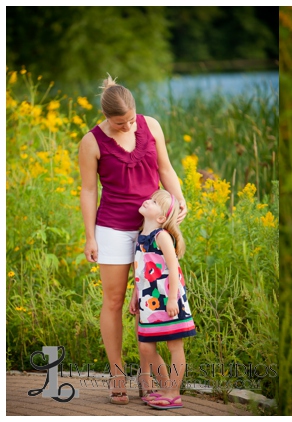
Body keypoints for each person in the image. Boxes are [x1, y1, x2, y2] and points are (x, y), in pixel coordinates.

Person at [78, 75, 188, 404]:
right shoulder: (91, 142)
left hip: (151, 227)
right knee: (113, 303)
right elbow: (87, 191)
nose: (127, 127)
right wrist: (89, 236)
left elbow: (166, 169)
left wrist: (179, 199)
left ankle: (148, 377)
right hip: (112, 228)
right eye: (119, 123)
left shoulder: (150, 126)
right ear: (105, 117)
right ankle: (116, 376)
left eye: (130, 120)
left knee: (147, 302)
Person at [128, 188, 196, 410]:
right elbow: (139, 272)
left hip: (168, 300)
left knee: (174, 345)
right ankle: (166, 387)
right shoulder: (140, 237)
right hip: (149, 302)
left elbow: (174, 269)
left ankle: (174, 392)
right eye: (150, 198)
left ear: (160, 218)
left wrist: (173, 299)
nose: (148, 201)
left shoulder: (162, 237)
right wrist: (134, 295)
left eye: (154, 202)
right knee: (146, 347)